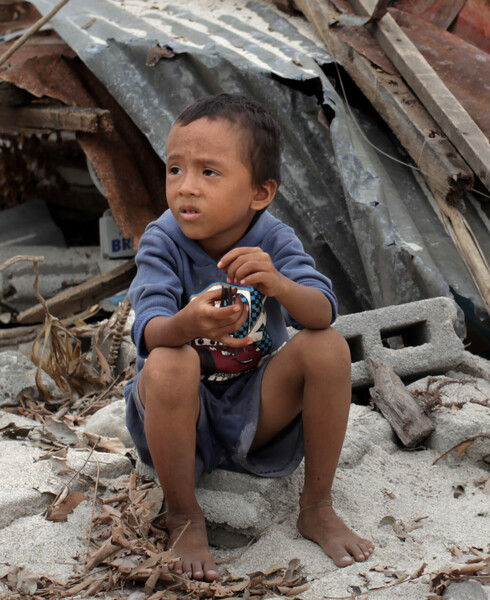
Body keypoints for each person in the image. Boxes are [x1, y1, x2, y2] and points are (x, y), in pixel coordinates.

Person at [123, 93, 374, 581]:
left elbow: (323, 311)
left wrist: (279, 284)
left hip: (252, 410)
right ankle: (183, 515)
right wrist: (187, 325)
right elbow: (148, 330)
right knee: (172, 359)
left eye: (209, 173)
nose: (186, 188)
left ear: (259, 193)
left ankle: (316, 506)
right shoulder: (162, 239)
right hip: (177, 418)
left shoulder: (273, 239)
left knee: (328, 347)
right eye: (175, 169)